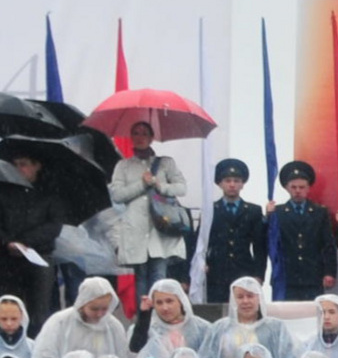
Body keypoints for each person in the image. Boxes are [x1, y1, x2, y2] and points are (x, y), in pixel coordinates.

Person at [108, 120, 193, 293]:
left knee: (159, 276)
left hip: (161, 227)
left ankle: (157, 317)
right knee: (141, 279)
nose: (140, 138)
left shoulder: (166, 163)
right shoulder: (123, 165)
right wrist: (142, 184)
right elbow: (117, 195)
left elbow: (181, 188)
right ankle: (144, 319)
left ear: (151, 137)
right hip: (136, 229)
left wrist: (159, 185)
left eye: (144, 133)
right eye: (136, 133)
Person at [268, 162, 338, 300]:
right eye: (293, 187)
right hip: (286, 277)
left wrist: (330, 272)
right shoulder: (277, 213)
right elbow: (269, 243)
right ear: (286, 188)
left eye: (302, 187)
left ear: (308, 188)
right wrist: (267, 218)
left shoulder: (320, 212)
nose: (297, 191)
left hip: (313, 277)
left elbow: (328, 245)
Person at [200, 159, 267, 302]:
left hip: (243, 270)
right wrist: (201, 263)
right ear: (220, 183)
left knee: (243, 309)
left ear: (242, 184)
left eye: (236, 181)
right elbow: (201, 241)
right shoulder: (210, 210)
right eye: (227, 180)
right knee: (217, 311)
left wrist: (259, 274)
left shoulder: (253, 211)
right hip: (216, 270)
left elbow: (259, 246)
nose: (232, 185)